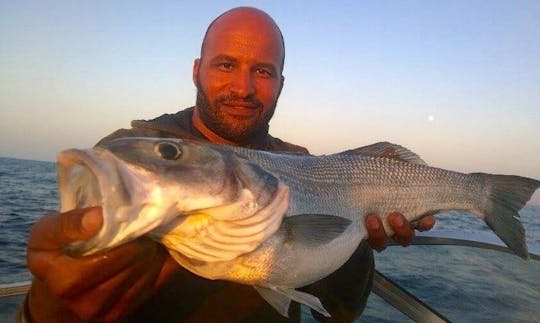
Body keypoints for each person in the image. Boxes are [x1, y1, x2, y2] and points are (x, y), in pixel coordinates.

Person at [21, 7, 435, 323]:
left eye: (263, 71)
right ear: (197, 71)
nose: (243, 87)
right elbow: (71, 286)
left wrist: (359, 244)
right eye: (225, 65)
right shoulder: (132, 153)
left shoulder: (301, 162)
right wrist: (48, 306)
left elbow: (343, 309)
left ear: (281, 85)